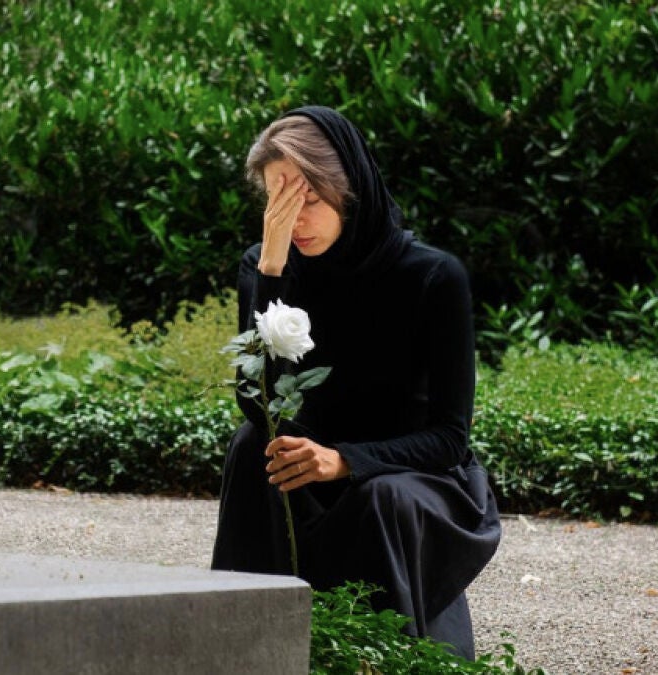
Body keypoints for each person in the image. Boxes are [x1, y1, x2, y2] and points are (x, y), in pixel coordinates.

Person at [210, 105, 501, 658]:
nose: (294, 222)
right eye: (278, 203)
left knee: (381, 495)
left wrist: (345, 460)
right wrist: (271, 273)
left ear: (349, 190)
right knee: (253, 444)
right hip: (310, 467)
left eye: (307, 201)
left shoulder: (432, 276)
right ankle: (243, 648)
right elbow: (258, 405)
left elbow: (449, 439)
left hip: (414, 477)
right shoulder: (267, 265)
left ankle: (383, 658)